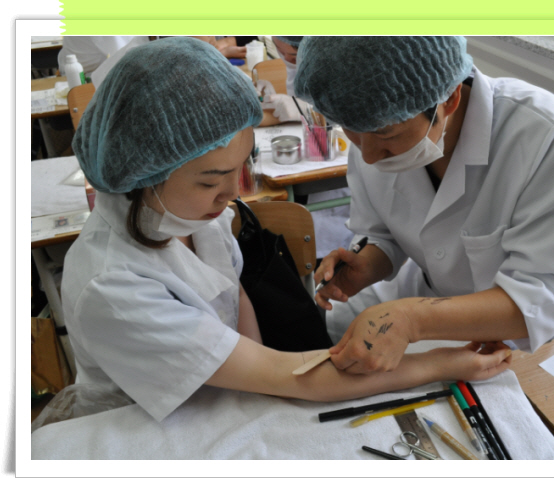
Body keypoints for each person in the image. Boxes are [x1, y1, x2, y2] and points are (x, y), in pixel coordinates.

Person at [59, 36, 512, 423]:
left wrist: (261, 374)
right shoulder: (112, 284)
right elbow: (289, 377)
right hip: (140, 426)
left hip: (224, 395)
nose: (232, 194)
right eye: (211, 181)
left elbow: (233, 294)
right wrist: (441, 363)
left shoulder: (193, 215)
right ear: (142, 175)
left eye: (241, 168)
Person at [294, 36, 554, 374]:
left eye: (387, 135)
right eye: (351, 131)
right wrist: (367, 263)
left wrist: (412, 320)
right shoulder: (373, 122)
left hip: (538, 343)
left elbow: (541, 299)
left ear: (450, 98)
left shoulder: (550, 136)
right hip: (434, 307)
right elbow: (384, 232)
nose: (367, 155)